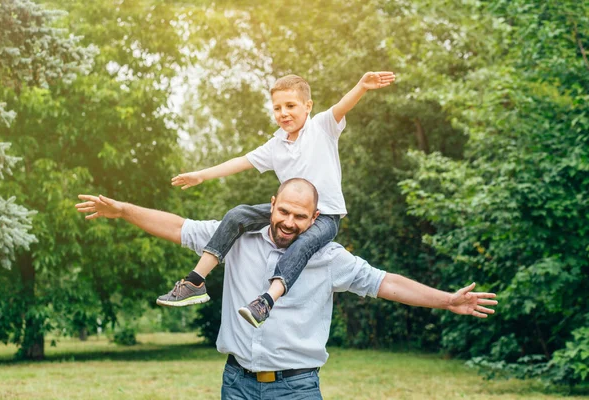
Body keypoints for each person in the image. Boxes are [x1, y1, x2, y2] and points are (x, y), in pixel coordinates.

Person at [75, 178, 498, 400]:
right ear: (271, 204)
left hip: (296, 388)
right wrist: (124, 210)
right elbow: (178, 227)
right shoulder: (236, 235)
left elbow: (384, 283)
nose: (289, 222)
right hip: (236, 382)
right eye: (283, 211)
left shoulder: (329, 257)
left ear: (315, 219)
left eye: (300, 216)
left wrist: (447, 300)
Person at [162, 72, 397, 329]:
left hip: (325, 216)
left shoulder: (321, 128)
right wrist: (200, 176)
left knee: (303, 244)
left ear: (308, 107)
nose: (283, 113)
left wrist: (361, 86)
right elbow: (241, 162)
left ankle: (266, 301)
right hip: (285, 211)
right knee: (237, 215)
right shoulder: (276, 145)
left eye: (290, 106)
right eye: (277, 108)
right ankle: (195, 281)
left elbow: (342, 106)